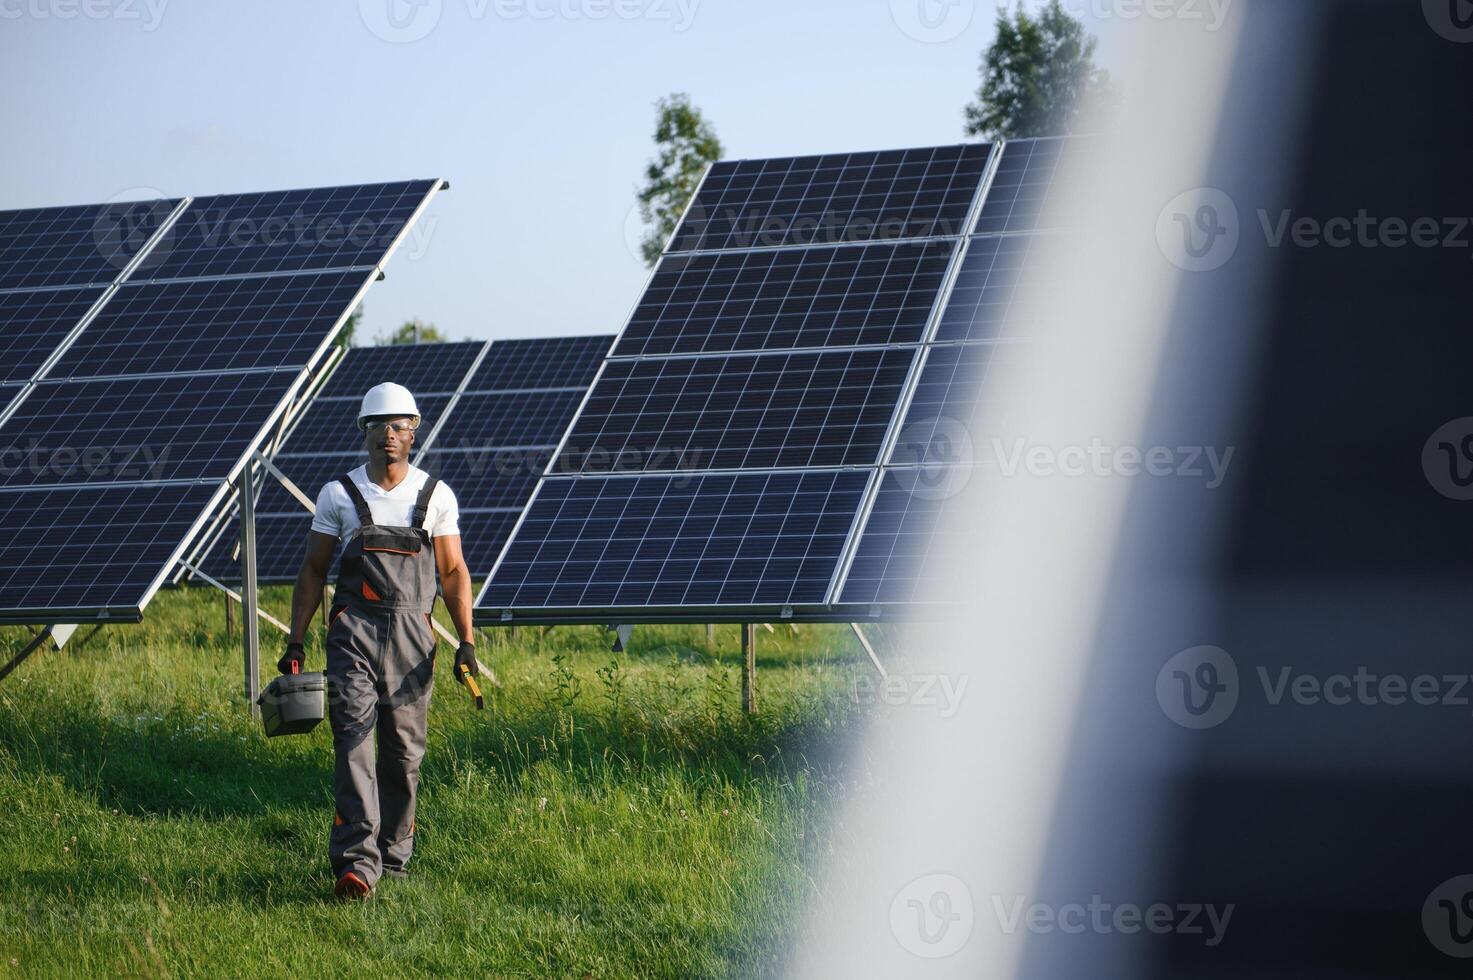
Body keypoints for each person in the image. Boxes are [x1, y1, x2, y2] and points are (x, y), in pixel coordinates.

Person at [278, 381, 479, 900]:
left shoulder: (436, 496)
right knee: (352, 746)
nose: (387, 435)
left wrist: (467, 642)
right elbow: (312, 571)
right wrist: (295, 641)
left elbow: (453, 572)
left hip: (415, 640)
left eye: (397, 427)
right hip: (354, 637)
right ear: (363, 432)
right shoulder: (338, 495)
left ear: (413, 433)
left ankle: (394, 856)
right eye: (377, 426)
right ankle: (356, 865)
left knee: (404, 757)